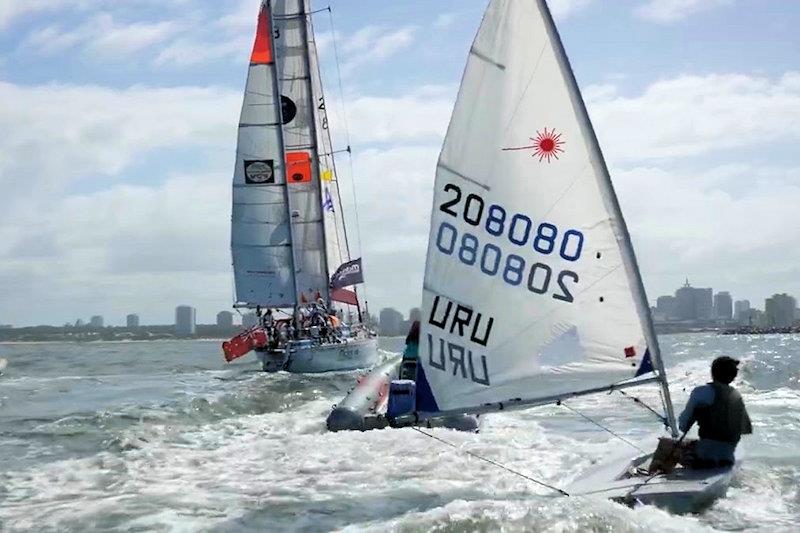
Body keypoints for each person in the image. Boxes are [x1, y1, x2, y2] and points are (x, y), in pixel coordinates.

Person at [678, 356, 753, 468]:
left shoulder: (700, 392)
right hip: (727, 456)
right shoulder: (736, 396)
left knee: (666, 445)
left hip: (703, 455)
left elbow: (683, 426)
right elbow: (746, 429)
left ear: (712, 373)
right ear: (733, 376)